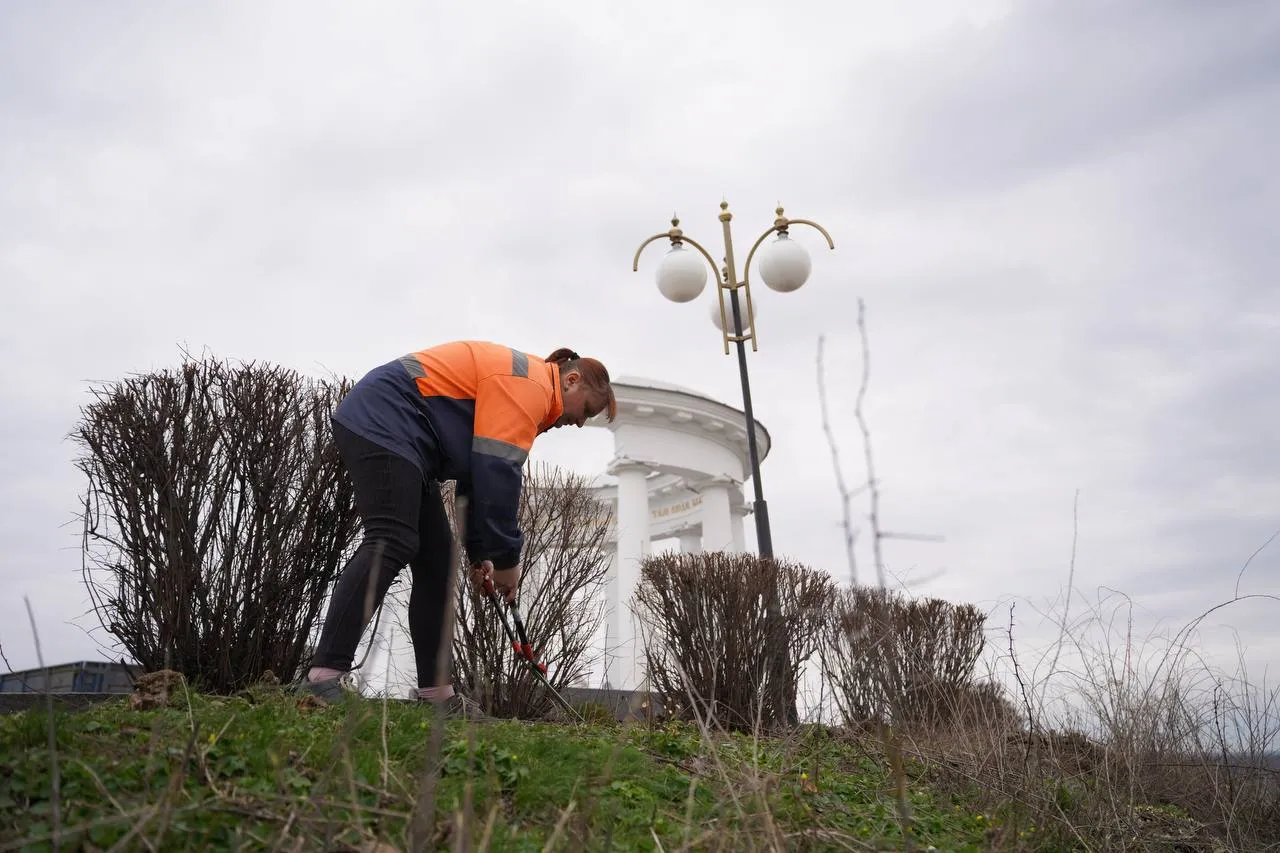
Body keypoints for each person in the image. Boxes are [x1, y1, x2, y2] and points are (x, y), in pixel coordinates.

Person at [299, 341, 617, 717]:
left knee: (439, 561)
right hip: (386, 418)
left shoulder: (531, 388)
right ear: (572, 380)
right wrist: (506, 560)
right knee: (392, 538)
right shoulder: (529, 385)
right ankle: (322, 678)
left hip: (406, 436)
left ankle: (437, 698)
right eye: (587, 411)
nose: (580, 423)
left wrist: (480, 554)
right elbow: (498, 475)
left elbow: (476, 475)